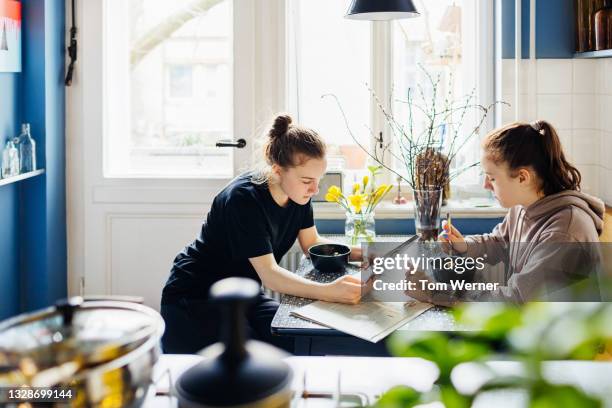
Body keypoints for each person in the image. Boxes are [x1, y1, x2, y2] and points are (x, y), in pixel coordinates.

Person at [161, 114, 365, 354]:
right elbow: (270, 276)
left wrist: (367, 254)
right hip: (196, 297)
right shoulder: (242, 199)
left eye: (318, 179)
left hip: (244, 295)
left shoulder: (298, 194)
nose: (315, 188)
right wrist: (329, 292)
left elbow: (313, 243)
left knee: (296, 342)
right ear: (278, 171)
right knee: (248, 361)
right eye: (308, 180)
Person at [433, 120, 605, 303]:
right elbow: (500, 242)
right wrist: (464, 245)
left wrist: (436, 293)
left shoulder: (565, 231)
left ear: (522, 177)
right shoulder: (524, 206)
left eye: (492, 178)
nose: (485, 185)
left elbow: (517, 300)